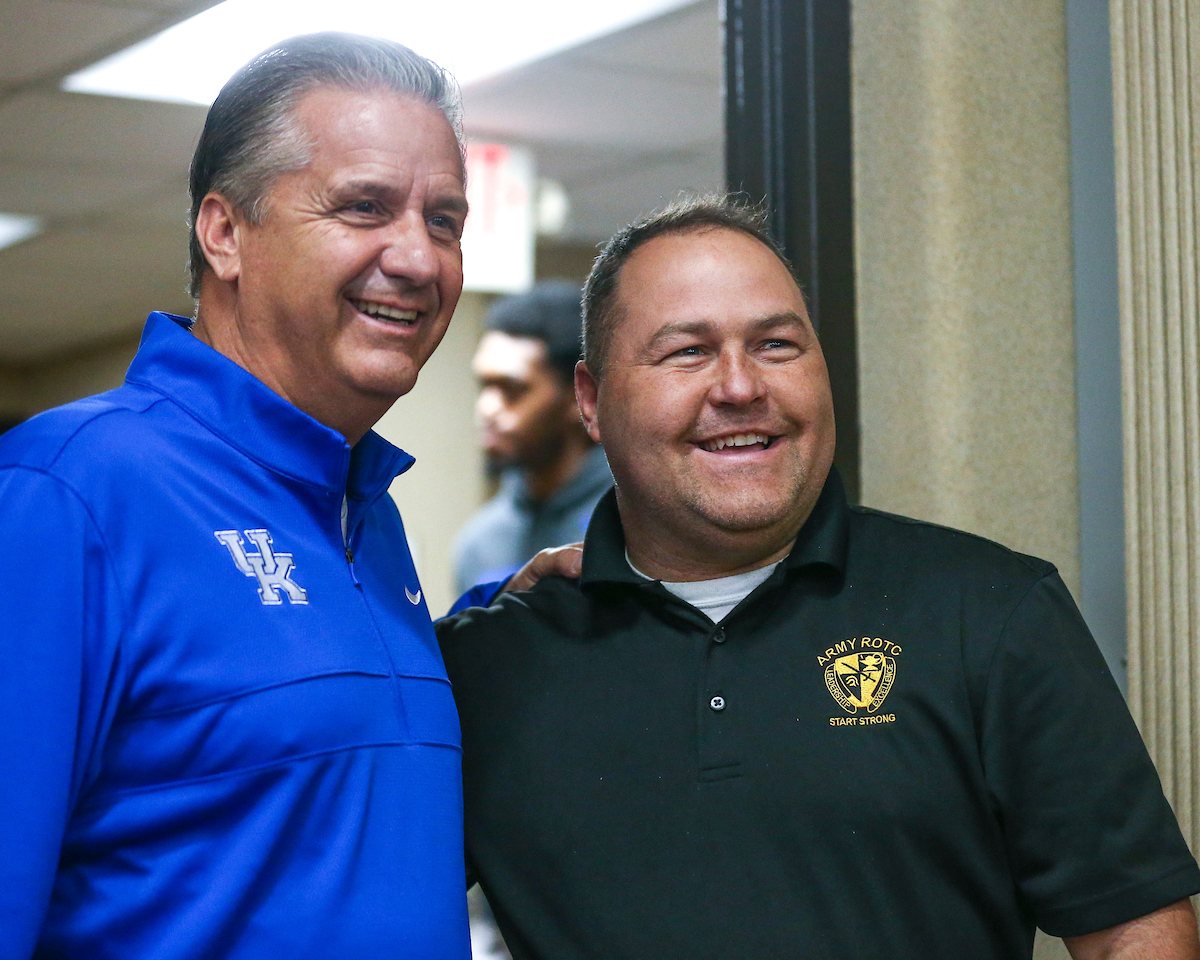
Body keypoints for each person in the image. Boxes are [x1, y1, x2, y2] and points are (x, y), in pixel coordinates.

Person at [438, 196, 1200, 960]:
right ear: (593, 402)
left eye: (776, 345)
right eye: (687, 352)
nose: (739, 386)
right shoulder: (485, 671)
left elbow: (1133, 928)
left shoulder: (990, 610)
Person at [0, 32, 576, 960]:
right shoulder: (66, 495)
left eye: (444, 221)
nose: (420, 261)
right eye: (364, 208)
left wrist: (513, 624)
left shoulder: (364, 514)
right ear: (224, 232)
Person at [454, 281, 612, 595]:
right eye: (483, 386)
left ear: (578, 396)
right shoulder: (478, 545)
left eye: (513, 390)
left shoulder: (639, 526)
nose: (487, 409)